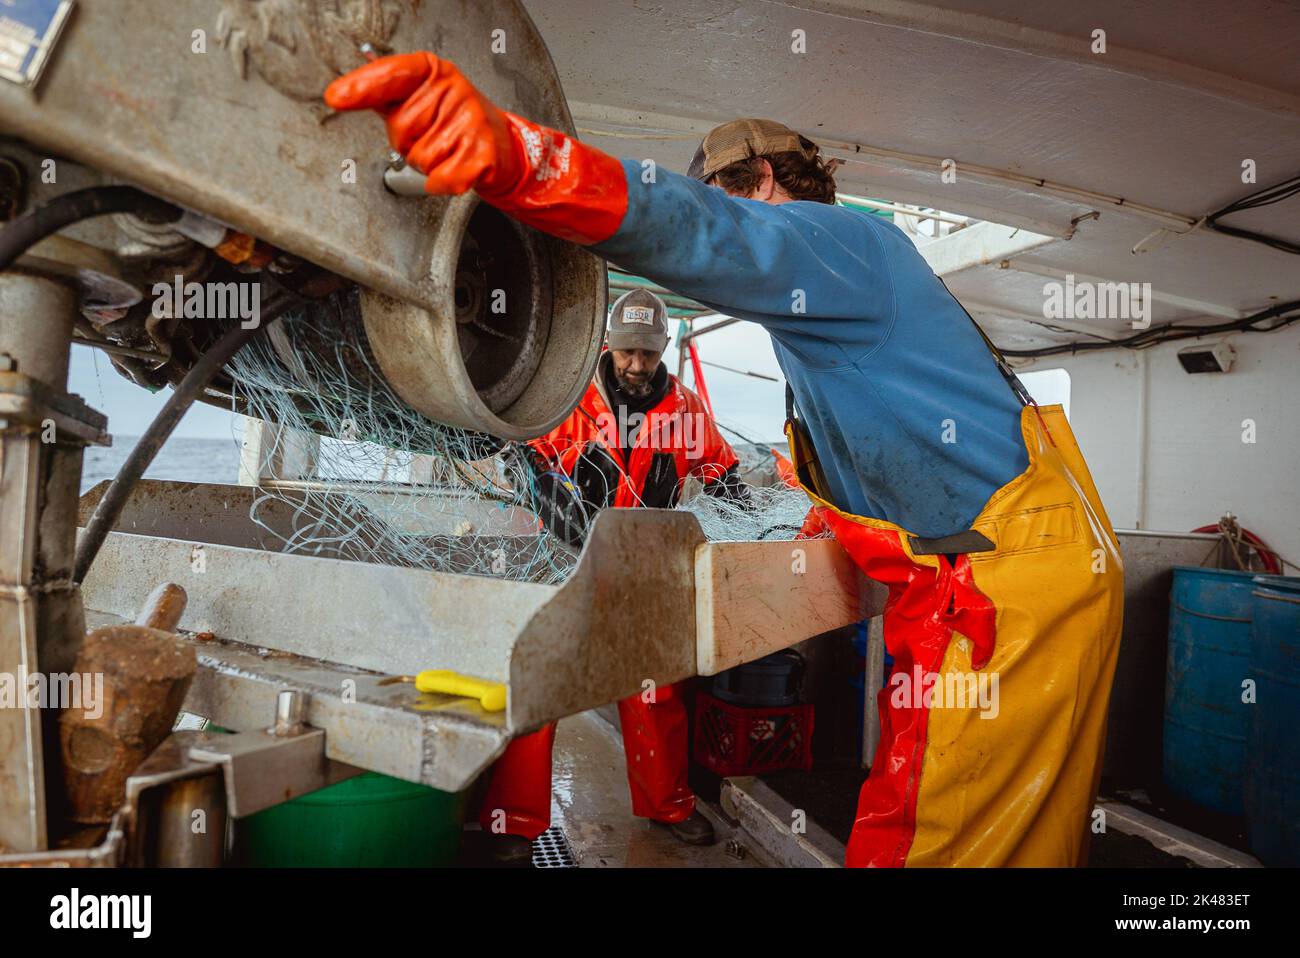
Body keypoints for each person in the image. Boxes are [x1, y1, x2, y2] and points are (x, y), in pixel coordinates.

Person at [325, 54, 1124, 867]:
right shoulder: (825, 315)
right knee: (975, 829)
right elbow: (881, 455)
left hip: (996, 592)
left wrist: (521, 159)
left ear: (768, 180)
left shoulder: (843, 243)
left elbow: (713, 234)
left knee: (934, 842)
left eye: (728, 194)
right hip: (1002, 573)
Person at [480, 288, 746, 864]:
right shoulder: (566, 399)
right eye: (627, 352)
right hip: (562, 567)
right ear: (607, 344)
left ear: (663, 349)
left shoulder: (687, 411)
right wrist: (536, 477)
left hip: (643, 573)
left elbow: (722, 472)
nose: (635, 365)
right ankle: (515, 820)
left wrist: (747, 519)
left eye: (647, 355)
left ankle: (668, 805)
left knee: (655, 691)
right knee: (539, 684)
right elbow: (522, 454)